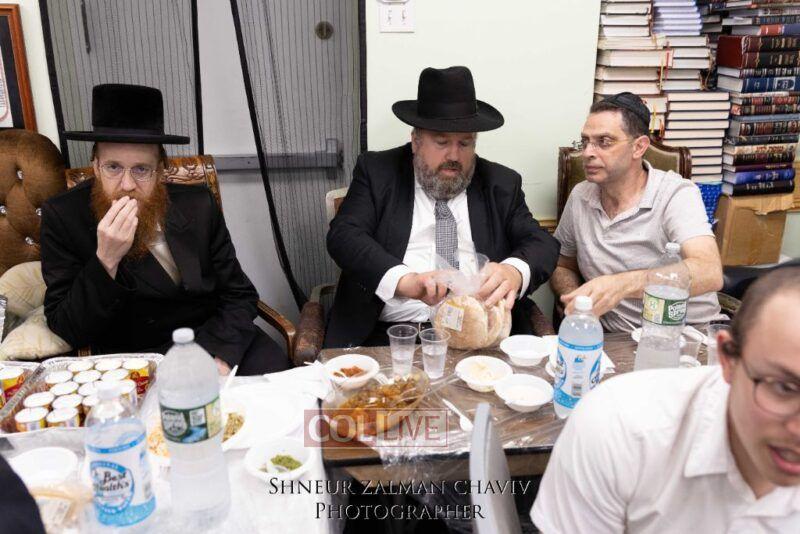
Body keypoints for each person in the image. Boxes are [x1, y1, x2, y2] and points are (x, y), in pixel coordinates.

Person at [41, 84, 289, 374]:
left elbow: (239, 293)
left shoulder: (198, 204)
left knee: (280, 381)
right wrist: (106, 260)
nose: (127, 185)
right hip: (139, 358)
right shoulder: (63, 215)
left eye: (141, 169)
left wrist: (219, 356)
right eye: (113, 167)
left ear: (160, 171)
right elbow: (66, 327)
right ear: (95, 166)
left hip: (215, 339)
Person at [531, 267, 800, 532]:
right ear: (728, 360)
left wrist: (623, 284)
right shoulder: (619, 429)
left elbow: (707, 267)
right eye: (784, 387)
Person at [324, 66, 559, 348]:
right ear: (416, 141)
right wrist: (405, 281)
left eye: (465, 143)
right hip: (389, 334)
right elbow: (344, 235)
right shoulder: (378, 172)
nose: (454, 155)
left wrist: (514, 271)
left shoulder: (501, 183)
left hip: (481, 338)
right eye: (441, 142)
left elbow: (542, 243)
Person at [550, 92, 723, 333]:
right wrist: (577, 301)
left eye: (604, 142)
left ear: (639, 147)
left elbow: (709, 271)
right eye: (585, 141)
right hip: (614, 339)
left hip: (686, 334)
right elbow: (562, 264)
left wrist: (622, 284)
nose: (587, 152)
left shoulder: (675, 193)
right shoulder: (581, 195)